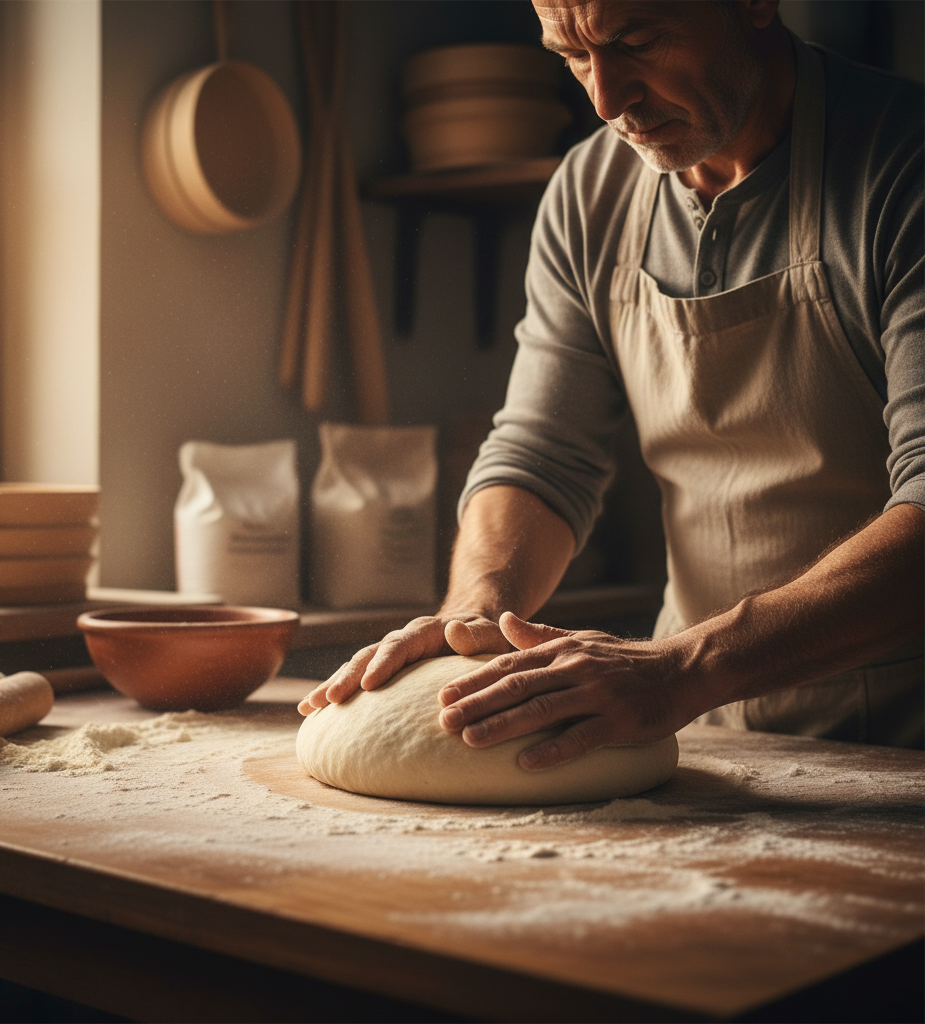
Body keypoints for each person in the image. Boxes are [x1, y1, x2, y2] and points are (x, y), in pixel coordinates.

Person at [300, 0, 924, 762]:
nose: (604, 99)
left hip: (902, 747)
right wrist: (476, 614)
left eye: (636, 41)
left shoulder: (904, 166)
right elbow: (542, 454)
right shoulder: (588, 192)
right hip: (702, 735)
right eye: (571, 55)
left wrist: (686, 668)